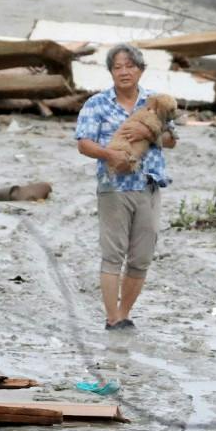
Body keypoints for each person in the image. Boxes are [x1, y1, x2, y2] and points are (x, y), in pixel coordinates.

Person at [73, 43, 176, 331]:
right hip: (114, 187)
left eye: (130, 66)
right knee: (113, 254)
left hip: (149, 185)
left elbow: (171, 140)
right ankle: (112, 318)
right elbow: (83, 143)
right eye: (117, 67)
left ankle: (125, 312)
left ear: (140, 70)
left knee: (142, 255)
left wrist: (149, 132)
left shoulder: (156, 102)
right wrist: (109, 155)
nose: (124, 72)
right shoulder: (97, 104)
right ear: (110, 72)